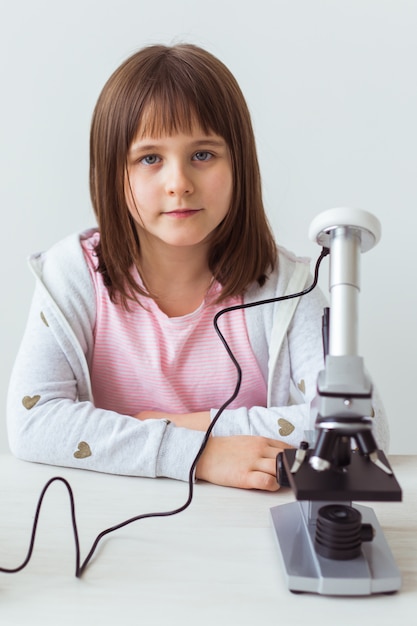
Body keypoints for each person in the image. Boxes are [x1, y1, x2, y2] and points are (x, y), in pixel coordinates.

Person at [6, 44, 389, 492]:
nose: (179, 184)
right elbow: (32, 423)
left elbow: (364, 430)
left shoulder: (285, 286)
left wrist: (185, 424)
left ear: (239, 164)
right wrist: (200, 453)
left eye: (203, 155)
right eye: (150, 159)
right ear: (113, 174)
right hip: (107, 521)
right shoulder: (72, 274)